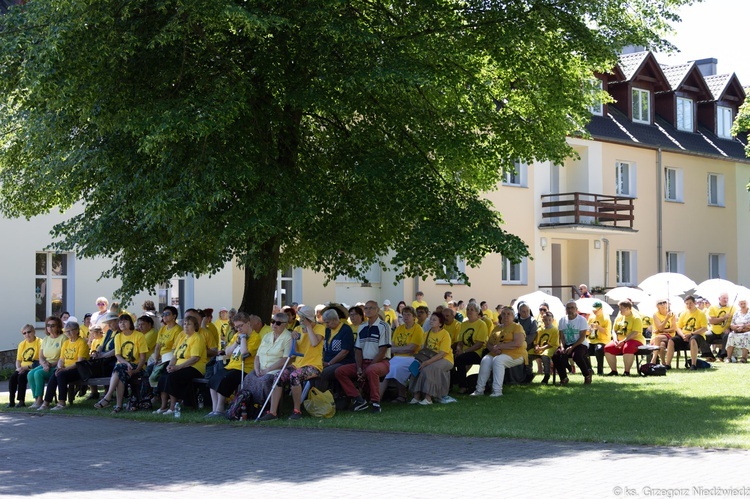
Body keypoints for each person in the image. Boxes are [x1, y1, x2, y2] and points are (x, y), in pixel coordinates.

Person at [259, 306, 324, 421]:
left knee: (295, 376)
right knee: (278, 376)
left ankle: (296, 410)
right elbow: (294, 350)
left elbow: (314, 343)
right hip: (297, 364)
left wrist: (309, 327)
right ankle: (273, 412)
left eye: (302, 318)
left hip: (314, 365)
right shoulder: (298, 329)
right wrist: (293, 339)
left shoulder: (319, 328)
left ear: (308, 318)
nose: (300, 320)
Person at [335, 300, 391, 413]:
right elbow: (358, 350)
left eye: (371, 308)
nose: (368, 310)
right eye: (366, 308)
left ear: (377, 310)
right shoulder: (362, 326)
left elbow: (382, 351)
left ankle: (376, 403)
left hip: (381, 362)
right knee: (340, 371)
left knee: (371, 370)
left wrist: (365, 369)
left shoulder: (384, 326)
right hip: (364, 362)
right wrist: (360, 368)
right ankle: (358, 399)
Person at [206, 312, 261, 417]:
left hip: (244, 368)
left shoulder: (255, 337)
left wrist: (244, 338)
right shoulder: (236, 335)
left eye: (241, 326)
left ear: (248, 323)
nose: (239, 329)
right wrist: (236, 342)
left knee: (225, 379)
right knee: (213, 379)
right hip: (231, 366)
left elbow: (245, 353)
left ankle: (220, 409)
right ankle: (214, 409)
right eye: (236, 327)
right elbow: (227, 352)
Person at [153, 315, 207, 415]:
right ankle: (163, 406)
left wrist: (177, 367)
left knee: (172, 378)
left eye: (189, 324)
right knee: (163, 376)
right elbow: (175, 356)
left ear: (195, 326)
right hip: (180, 367)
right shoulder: (183, 338)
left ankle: (173, 407)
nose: (186, 326)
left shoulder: (197, 338)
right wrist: (170, 366)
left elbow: (195, 358)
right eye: (185, 324)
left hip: (194, 367)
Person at [94, 314, 149, 413]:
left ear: (130, 323)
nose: (122, 323)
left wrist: (136, 370)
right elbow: (118, 355)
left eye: (125, 321)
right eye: (120, 322)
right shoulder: (118, 336)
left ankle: (109, 397)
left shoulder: (139, 336)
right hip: (123, 365)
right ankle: (117, 405)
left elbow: (142, 358)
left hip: (137, 366)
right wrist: (127, 364)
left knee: (118, 369)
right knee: (120, 371)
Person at [240, 312, 292, 413]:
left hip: (275, 370)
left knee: (264, 381)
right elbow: (257, 356)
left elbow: (285, 359)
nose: (274, 325)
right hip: (261, 368)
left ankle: (263, 407)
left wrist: (267, 370)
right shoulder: (267, 336)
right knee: (249, 378)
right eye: (272, 322)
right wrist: (257, 369)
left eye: (278, 323)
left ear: (285, 324)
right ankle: (248, 406)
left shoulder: (288, 337)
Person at [471, 307, 527, 397]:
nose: (506, 316)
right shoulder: (497, 328)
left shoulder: (517, 327)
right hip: (497, 352)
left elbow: (518, 343)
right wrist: (493, 349)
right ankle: (479, 390)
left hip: (515, 353)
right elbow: (488, 343)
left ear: (513, 316)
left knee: (498, 360)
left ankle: (497, 391)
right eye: (504, 314)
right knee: (485, 360)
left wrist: (501, 346)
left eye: (509, 314)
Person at [39, 321, 89, 410]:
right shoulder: (66, 343)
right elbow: (61, 359)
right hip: (66, 369)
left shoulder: (82, 342)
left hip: (78, 369)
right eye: (66, 331)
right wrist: (60, 367)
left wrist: (64, 369)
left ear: (77, 330)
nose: (68, 333)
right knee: (55, 373)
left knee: (61, 375)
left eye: (70, 331)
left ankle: (61, 402)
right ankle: (46, 402)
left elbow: (79, 362)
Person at [409, 312, 453, 405]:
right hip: (430, 358)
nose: (431, 321)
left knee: (429, 369)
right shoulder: (426, 334)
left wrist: (427, 362)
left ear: (440, 323)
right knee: (417, 367)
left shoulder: (445, 334)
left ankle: (428, 398)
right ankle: (416, 396)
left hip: (445, 359)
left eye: (434, 320)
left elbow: (442, 353)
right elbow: (423, 349)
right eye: (431, 319)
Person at [382, 306, 423, 403]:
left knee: (396, 368)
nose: (406, 317)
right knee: (385, 368)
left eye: (409, 314)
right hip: (397, 357)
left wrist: (397, 349)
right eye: (404, 314)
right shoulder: (399, 328)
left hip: (412, 358)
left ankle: (402, 395)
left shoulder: (418, 329)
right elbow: (391, 346)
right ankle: (377, 398)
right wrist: (402, 349)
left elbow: (412, 348)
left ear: (414, 317)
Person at [27, 316, 65, 409]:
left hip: (57, 365)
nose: (50, 328)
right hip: (46, 364)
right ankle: (36, 399)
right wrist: (44, 364)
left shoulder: (63, 338)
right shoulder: (46, 339)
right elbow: (41, 356)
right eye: (48, 325)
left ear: (58, 327)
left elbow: (63, 356)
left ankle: (40, 399)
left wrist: (52, 364)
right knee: (30, 374)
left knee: (38, 373)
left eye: (53, 325)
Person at [451, 303, 488, 394]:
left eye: (472, 310)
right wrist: (459, 349)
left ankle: (463, 386)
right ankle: (450, 384)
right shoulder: (463, 324)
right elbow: (460, 341)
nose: (469, 311)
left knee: (460, 359)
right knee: (450, 359)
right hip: (464, 351)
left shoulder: (481, 324)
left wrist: (463, 351)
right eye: (468, 309)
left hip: (477, 352)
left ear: (477, 312)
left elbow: (479, 344)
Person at [554, 301, 593, 385]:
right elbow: (561, 337)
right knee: (556, 355)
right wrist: (562, 347)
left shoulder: (582, 320)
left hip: (580, 344)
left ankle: (587, 375)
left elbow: (582, 337)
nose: (570, 310)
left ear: (576, 309)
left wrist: (572, 347)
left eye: (572, 308)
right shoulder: (562, 320)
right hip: (567, 344)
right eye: (568, 308)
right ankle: (563, 378)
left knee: (577, 355)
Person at [665, 295, 708, 371]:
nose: (688, 305)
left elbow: (704, 328)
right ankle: (667, 364)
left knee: (693, 339)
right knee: (671, 341)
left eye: (690, 303)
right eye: (687, 303)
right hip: (684, 335)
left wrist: (691, 334)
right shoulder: (683, 314)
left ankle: (693, 364)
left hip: (697, 336)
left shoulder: (701, 314)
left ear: (695, 303)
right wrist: (682, 335)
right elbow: (678, 327)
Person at [317, 309, 355, 392]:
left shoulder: (346, 330)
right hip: (328, 361)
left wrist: (330, 363)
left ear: (334, 319)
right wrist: (322, 361)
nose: (326, 325)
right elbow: (324, 348)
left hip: (343, 362)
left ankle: (323, 396)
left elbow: (344, 352)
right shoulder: (327, 331)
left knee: (324, 373)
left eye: (327, 322)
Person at [604, 301, 644, 376]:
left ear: (628, 308)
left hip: (635, 340)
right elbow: (614, 330)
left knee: (627, 347)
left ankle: (626, 371)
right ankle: (614, 371)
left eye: (622, 308)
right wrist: (615, 340)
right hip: (619, 340)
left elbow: (635, 332)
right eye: (620, 308)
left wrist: (624, 341)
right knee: (608, 348)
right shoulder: (619, 317)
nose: (620, 310)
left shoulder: (636, 318)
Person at [7, 325, 41, 408]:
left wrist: (25, 368)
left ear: (34, 332)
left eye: (29, 332)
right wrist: (18, 368)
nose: (27, 334)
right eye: (24, 333)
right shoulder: (22, 344)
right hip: (22, 368)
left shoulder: (39, 342)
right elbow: (18, 360)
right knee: (13, 378)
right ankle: (11, 401)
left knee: (21, 377)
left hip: (34, 368)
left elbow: (39, 361)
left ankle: (21, 401)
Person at [529, 312, 559, 384]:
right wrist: (536, 347)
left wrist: (541, 348)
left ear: (552, 320)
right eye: (545, 320)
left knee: (545, 356)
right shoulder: (539, 330)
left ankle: (547, 375)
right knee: (527, 355)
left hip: (550, 348)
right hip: (540, 348)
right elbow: (536, 341)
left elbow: (552, 344)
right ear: (542, 320)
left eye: (549, 320)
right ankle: (528, 374)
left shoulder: (555, 330)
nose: (547, 322)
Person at [703, 293, 733, 362]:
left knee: (727, 336)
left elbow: (735, 320)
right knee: (704, 336)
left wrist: (729, 328)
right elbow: (711, 321)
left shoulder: (732, 308)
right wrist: (724, 318)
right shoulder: (712, 308)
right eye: (724, 298)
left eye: (727, 298)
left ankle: (722, 356)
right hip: (713, 330)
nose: (726, 300)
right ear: (719, 299)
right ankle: (709, 356)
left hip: (725, 330)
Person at [587, 301, 611, 375]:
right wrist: (590, 329)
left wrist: (597, 327)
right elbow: (587, 331)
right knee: (583, 349)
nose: (594, 312)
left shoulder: (606, 318)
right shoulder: (591, 317)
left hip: (602, 340)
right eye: (593, 310)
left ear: (601, 309)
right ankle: (589, 369)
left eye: (596, 310)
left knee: (599, 349)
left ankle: (600, 370)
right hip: (591, 340)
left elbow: (606, 332)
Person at [650, 300, 676, 365]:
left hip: (669, 335)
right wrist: (666, 319)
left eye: (664, 302)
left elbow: (673, 328)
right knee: (661, 344)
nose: (662, 304)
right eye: (660, 303)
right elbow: (660, 327)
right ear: (657, 306)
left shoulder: (672, 314)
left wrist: (661, 331)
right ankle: (664, 363)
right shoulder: (655, 315)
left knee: (658, 337)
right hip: (657, 337)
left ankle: (653, 359)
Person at [725, 299, 750, 363]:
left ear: (747, 303)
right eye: (741, 304)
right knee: (731, 335)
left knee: (747, 335)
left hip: (747, 331)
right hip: (737, 331)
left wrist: (743, 327)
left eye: (744, 303)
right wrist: (736, 328)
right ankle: (729, 358)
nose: (743, 305)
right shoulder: (736, 313)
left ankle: (744, 358)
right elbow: (732, 324)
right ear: (739, 305)